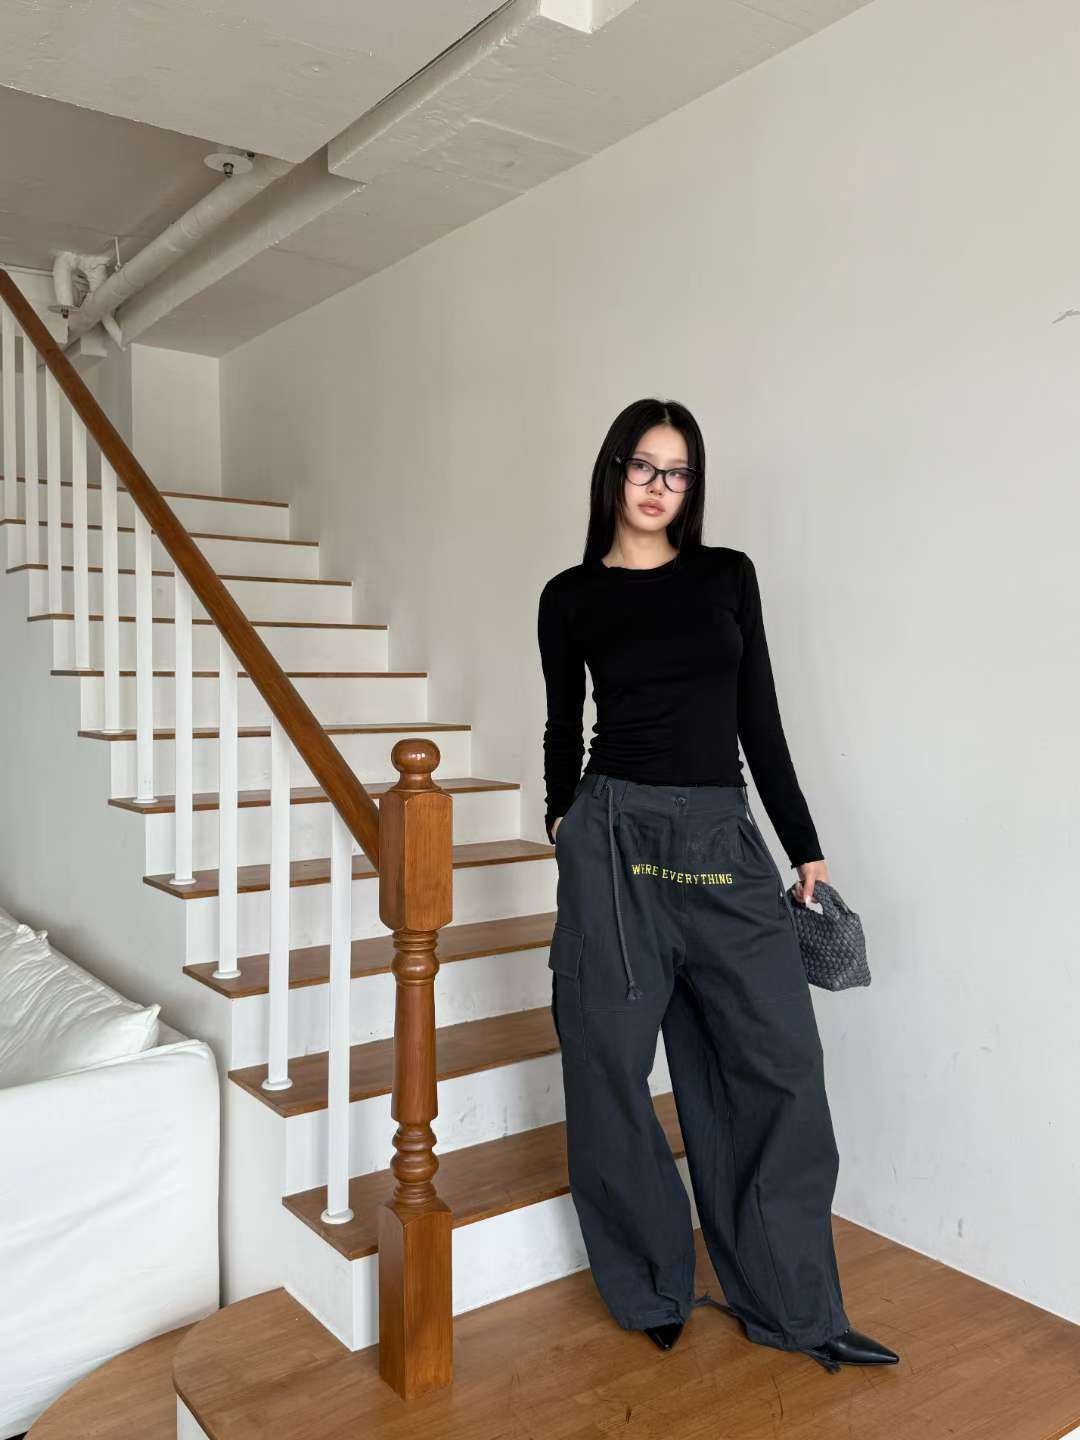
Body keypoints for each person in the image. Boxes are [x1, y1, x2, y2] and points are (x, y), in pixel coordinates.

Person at [536, 397, 898, 1374]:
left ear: (692, 485)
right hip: (614, 839)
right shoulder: (570, 596)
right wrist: (562, 820)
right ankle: (651, 1288)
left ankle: (794, 1306)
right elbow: (563, 723)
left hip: (722, 835)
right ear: (613, 471)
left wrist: (803, 846)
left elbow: (758, 717)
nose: (659, 486)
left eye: (678, 471)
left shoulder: (726, 576)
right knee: (609, 1069)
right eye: (643, 466)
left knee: (778, 1067)